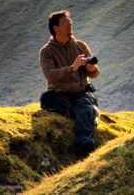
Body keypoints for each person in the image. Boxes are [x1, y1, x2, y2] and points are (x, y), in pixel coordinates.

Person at [39, 10, 101, 157]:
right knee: (46, 98)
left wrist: (91, 69)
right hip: (60, 93)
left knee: (86, 104)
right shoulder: (46, 52)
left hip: (81, 91)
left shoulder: (81, 46)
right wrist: (72, 68)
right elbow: (50, 75)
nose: (70, 24)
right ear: (55, 28)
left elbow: (95, 73)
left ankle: (83, 140)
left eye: (70, 21)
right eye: (65, 22)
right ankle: (79, 117)